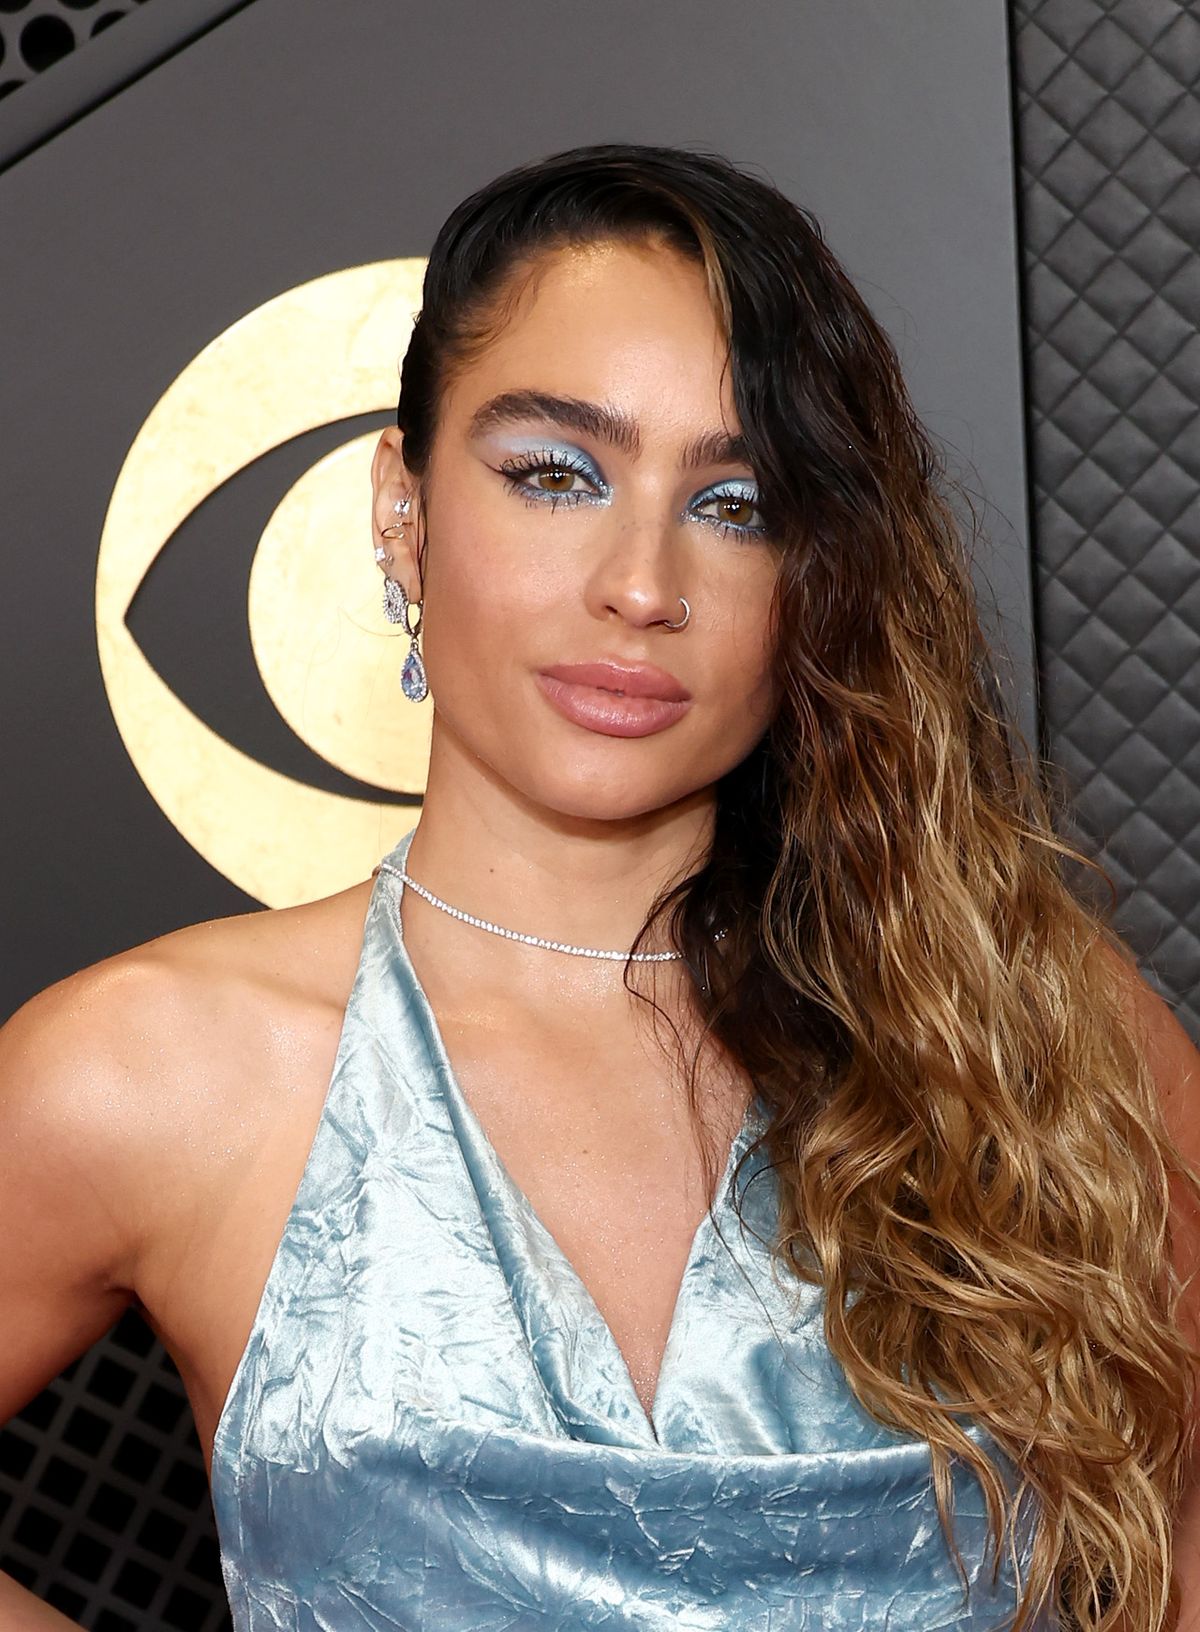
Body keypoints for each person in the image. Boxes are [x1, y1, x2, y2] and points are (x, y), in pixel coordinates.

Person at [3, 142, 1200, 1632]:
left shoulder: (1013, 1013)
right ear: (402, 510)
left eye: (738, 503)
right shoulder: (155, 1069)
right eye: (555, 475)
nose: (642, 584)